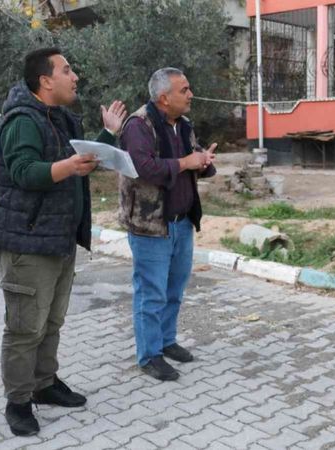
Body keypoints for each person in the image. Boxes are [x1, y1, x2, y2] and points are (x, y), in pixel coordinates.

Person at [0, 47, 126, 436]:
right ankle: (18, 402)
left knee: (51, 320)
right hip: (26, 243)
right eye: (67, 70)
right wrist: (67, 167)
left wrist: (108, 133)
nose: (75, 76)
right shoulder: (22, 120)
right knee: (24, 327)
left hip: (57, 238)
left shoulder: (59, 117)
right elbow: (24, 171)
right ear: (45, 80)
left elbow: (78, 158)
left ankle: (44, 384)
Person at [118, 68, 216, 381]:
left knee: (174, 289)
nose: (190, 95)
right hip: (150, 226)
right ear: (164, 97)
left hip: (182, 222)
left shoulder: (183, 125)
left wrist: (203, 162)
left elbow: (189, 161)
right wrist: (186, 162)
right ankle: (149, 355)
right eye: (184, 90)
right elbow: (144, 168)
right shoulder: (138, 125)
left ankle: (167, 341)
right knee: (151, 293)